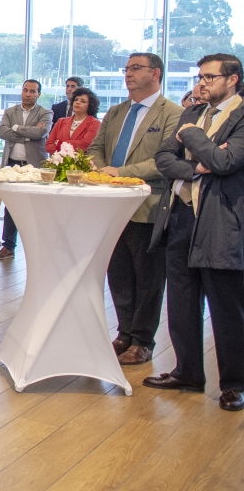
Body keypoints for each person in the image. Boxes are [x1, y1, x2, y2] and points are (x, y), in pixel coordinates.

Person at [148, 54, 244, 411]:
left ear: (232, 79)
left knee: (226, 307)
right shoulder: (192, 112)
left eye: (209, 77)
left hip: (220, 220)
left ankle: (234, 384)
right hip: (180, 216)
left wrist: (191, 136)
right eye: (200, 76)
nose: (201, 83)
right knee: (181, 300)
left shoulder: (238, 116)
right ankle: (187, 372)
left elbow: (226, 162)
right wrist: (196, 168)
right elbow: (163, 158)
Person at [87, 52, 182, 365]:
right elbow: (96, 148)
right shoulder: (116, 111)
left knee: (148, 277)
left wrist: (122, 173)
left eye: (136, 68)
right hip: (111, 207)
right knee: (118, 274)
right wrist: (103, 172)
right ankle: (125, 333)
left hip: (148, 206)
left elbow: (165, 160)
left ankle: (143, 340)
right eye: (126, 69)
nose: (128, 74)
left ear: (155, 73)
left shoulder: (172, 113)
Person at [0, 80, 52, 260]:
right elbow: (2, 133)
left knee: (37, 205)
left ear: (38, 94)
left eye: (32, 91)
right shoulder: (10, 112)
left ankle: (40, 246)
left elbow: (40, 133)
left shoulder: (45, 113)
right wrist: (28, 135)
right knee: (11, 205)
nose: (27, 94)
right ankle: (8, 245)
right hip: (12, 165)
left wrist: (17, 129)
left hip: (34, 166)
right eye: (25, 90)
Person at [45, 87, 101, 154]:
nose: (77, 102)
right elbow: (48, 146)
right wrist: (67, 148)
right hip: (57, 160)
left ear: (90, 105)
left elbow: (86, 144)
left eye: (83, 101)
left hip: (82, 160)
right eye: (76, 99)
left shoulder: (94, 123)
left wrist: (59, 143)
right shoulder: (61, 121)